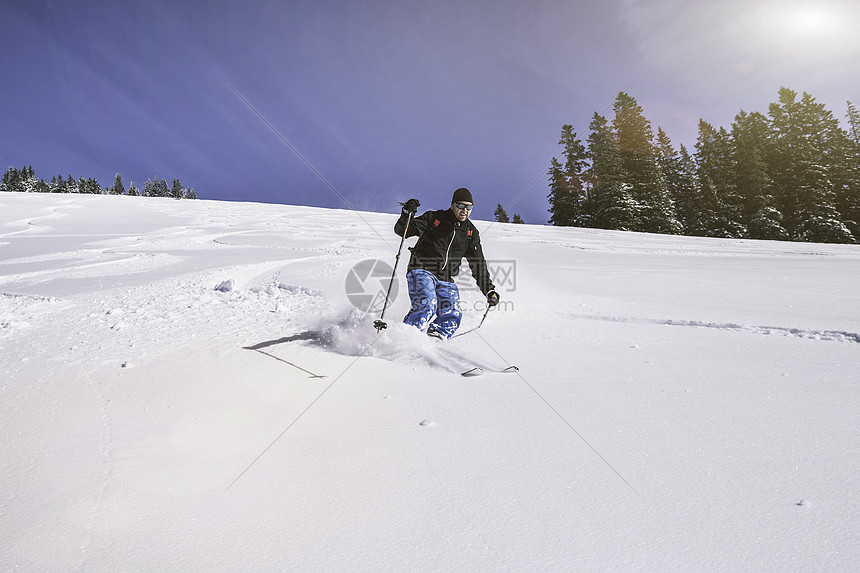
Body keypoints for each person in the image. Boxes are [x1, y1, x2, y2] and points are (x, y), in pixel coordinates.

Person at [395, 187, 500, 339]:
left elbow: (478, 264)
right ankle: (405, 337)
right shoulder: (435, 219)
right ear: (452, 205)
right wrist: (407, 214)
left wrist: (489, 290)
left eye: (469, 207)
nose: (465, 210)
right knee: (427, 305)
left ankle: (435, 339)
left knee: (452, 313)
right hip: (422, 269)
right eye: (461, 206)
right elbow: (403, 230)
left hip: (446, 278)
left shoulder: (470, 232)